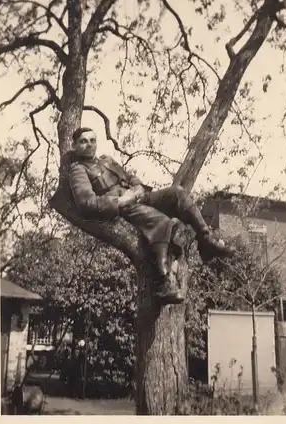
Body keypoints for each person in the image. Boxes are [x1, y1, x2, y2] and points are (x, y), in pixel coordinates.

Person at [68, 127, 235, 303]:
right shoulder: (78, 170)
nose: (89, 145)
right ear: (74, 145)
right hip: (123, 206)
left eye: (92, 140)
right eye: (83, 141)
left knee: (177, 193)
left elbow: (129, 176)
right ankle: (164, 281)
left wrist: (138, 186)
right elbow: (86, 203)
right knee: (162, 222)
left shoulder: (106, 160)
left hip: (140, 197)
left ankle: (206, 240)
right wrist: (120, 202)